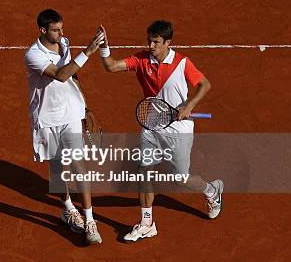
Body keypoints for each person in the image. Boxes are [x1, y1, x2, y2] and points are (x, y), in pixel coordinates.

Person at [96, 20, 224, 242]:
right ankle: (147, 224)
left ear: (167, 42)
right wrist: (104, 47)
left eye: (156, 42)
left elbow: (205, 84)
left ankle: (211, 190)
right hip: (152, 125)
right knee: (144, 172)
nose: (151, 45)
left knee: (180, 178)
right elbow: (111, 66)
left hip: (179, 129)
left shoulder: (182, 63)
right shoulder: (141, 59)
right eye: (149, 41)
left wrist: (189, 106)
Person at [24, 9, 104, 245]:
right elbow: (60, 75)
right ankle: (67, 207)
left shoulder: (64, 43)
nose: (61, 33)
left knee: (78, 165)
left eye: (62, 28)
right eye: (56, 30)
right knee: (58, 168)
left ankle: (90, 220)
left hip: (69, 113)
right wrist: (88, 52)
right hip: (47, 119)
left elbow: (73, 75)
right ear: (43, 30)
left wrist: (84, 105)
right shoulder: (33, 55)